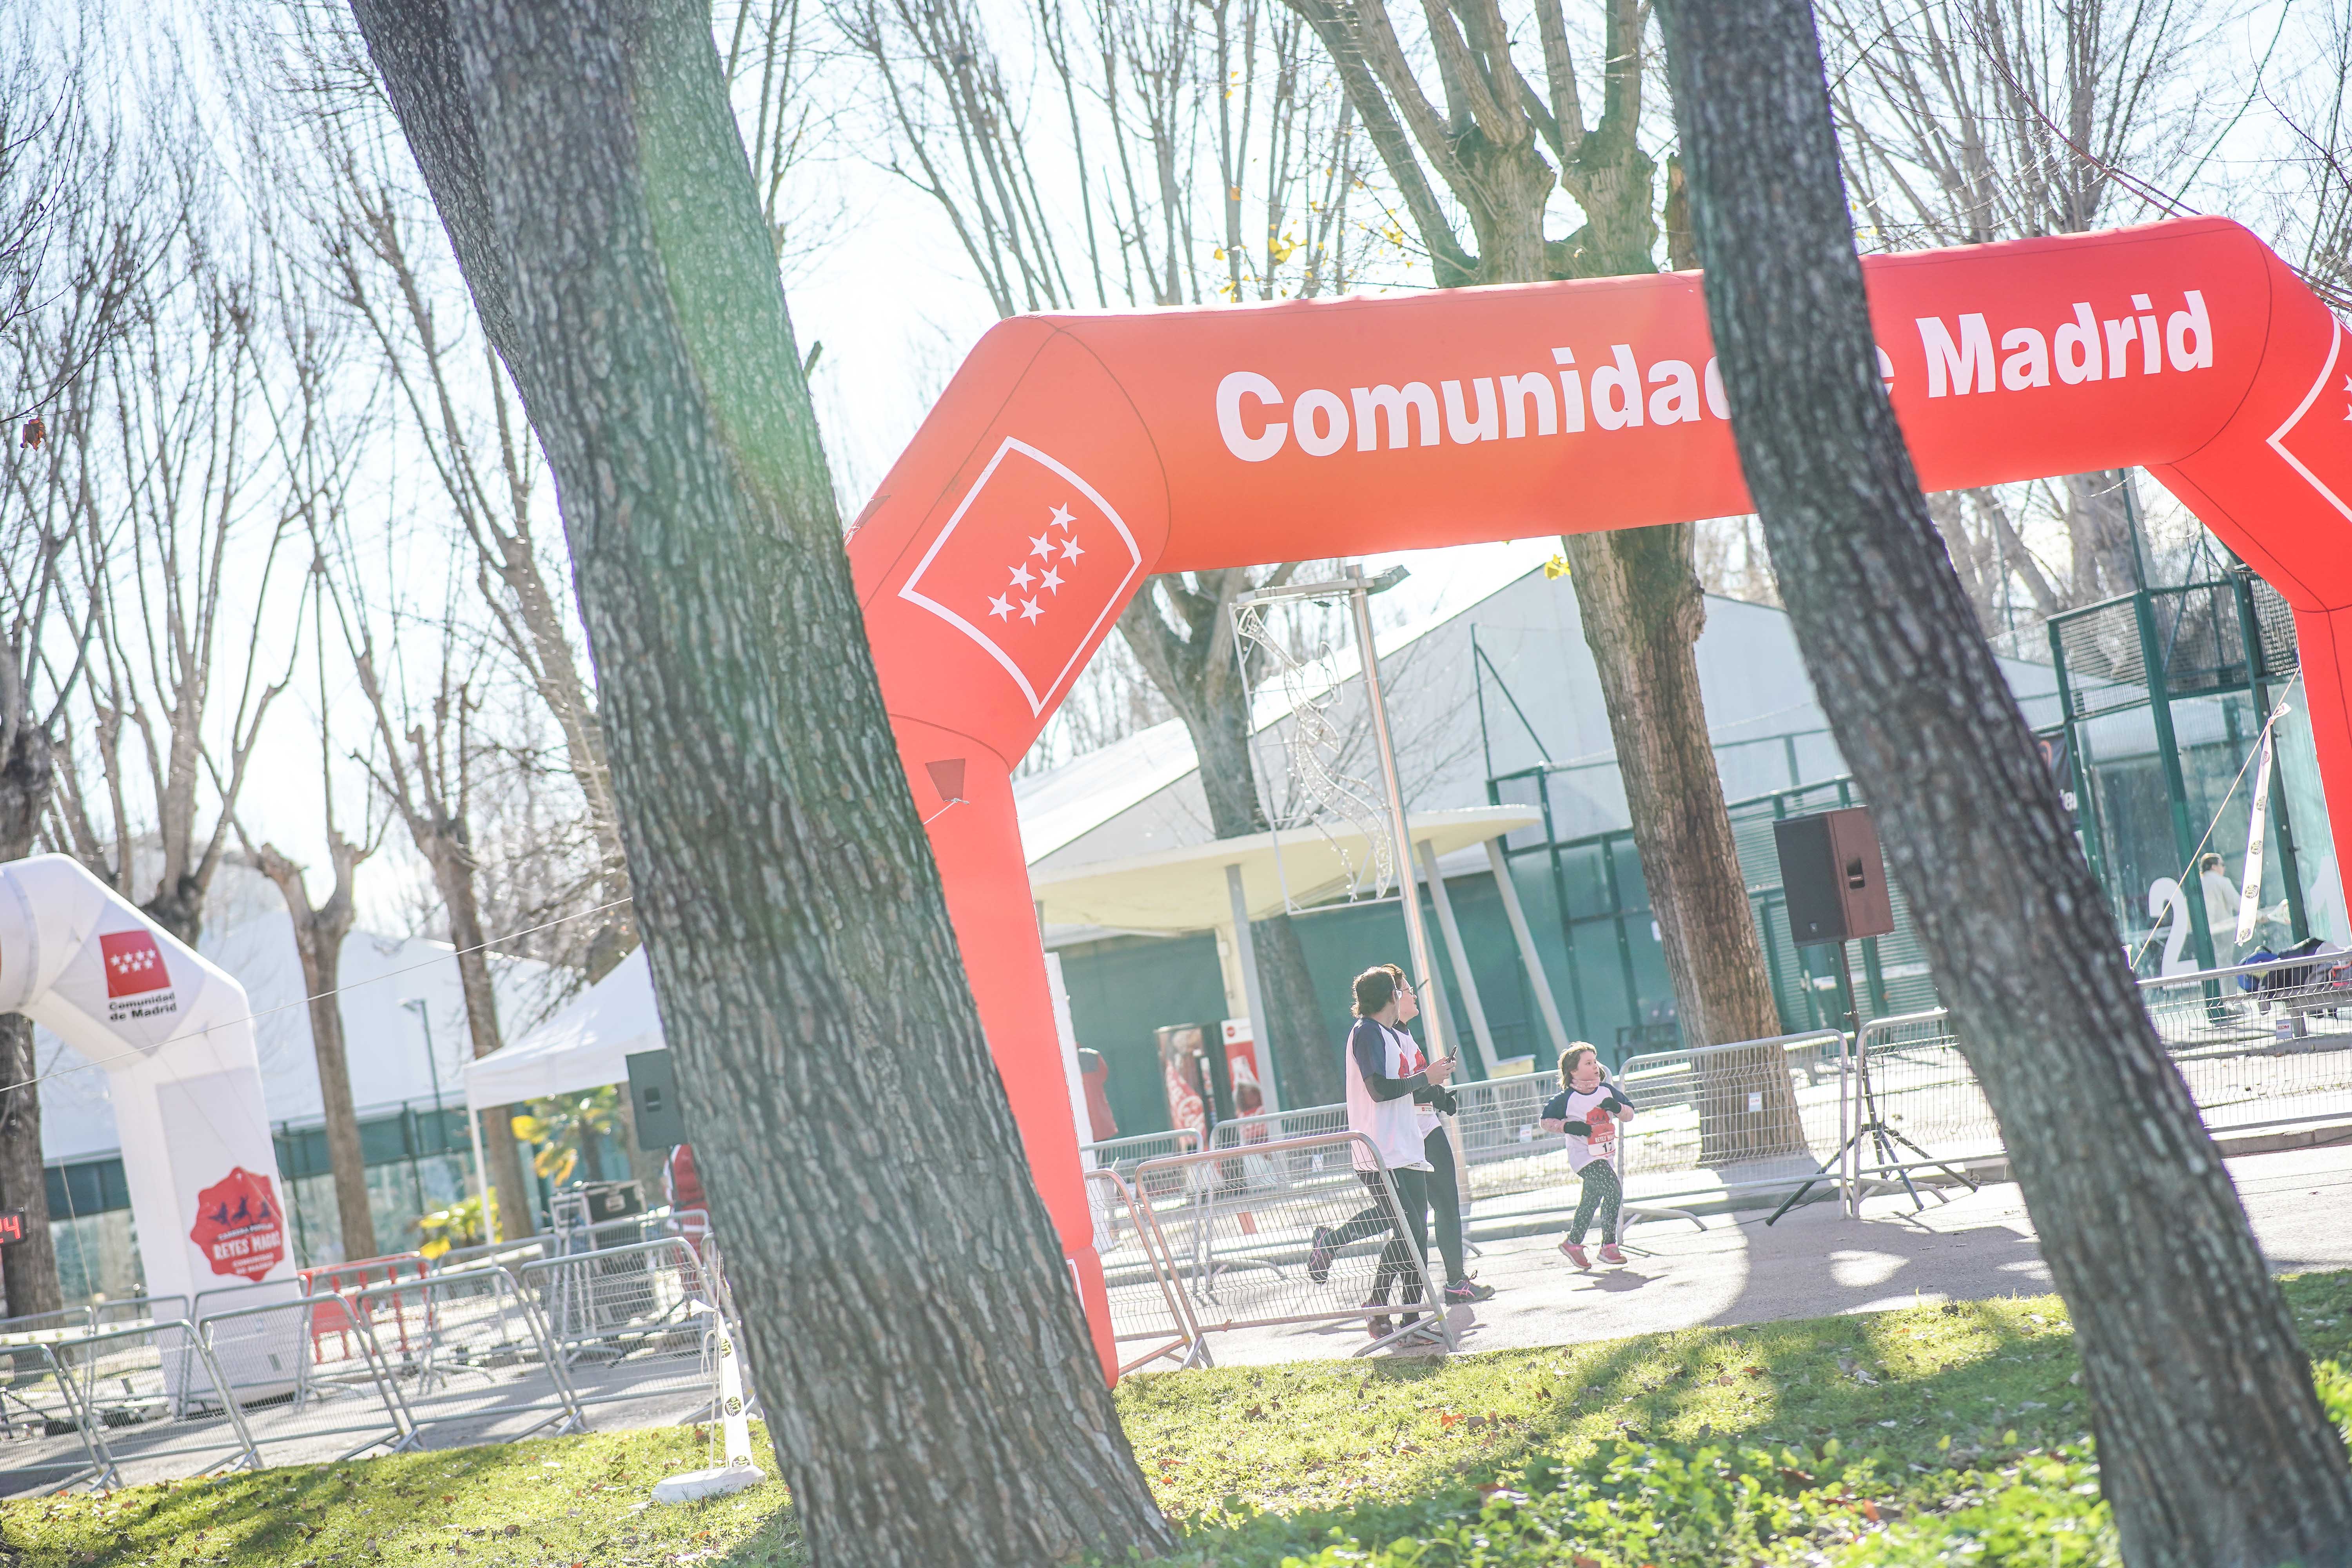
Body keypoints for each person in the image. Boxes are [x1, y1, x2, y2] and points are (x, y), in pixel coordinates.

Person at [1305, 965, 1494, 1339]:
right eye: (1403, 989)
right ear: (1393, 996)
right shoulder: (1366, 1034)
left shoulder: (1392, 1036)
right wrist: (1428, 1079)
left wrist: (1435, 1088)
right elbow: (1379, 1090)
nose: (1409, 994)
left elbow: (1407, 1090)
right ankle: (1388, 1309)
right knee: (1410, 1229)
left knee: (1415, 1232)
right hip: (1378, 1153)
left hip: (1406, 1148)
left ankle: (1410, 1318)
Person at [1540, 1044, 1637, 1269]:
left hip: (1604, 1156)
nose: (1596, 1066)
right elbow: (1545, 1122)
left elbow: (1630, 1113)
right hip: (1583, 1158)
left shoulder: (1606, 1091)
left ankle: (1573, 1243)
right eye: (1588, 1063)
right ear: (1573, 1071)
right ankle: (1609, 1246)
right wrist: (1569, 1127)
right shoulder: (1567, 1098)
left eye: (1595, 1061)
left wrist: (1616, 1107)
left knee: (1591, 1199)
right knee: (1614, 1191)